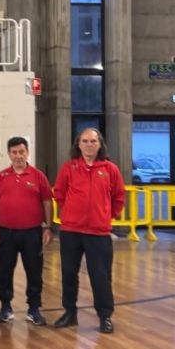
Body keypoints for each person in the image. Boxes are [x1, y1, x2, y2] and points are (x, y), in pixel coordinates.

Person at [53, 128, 126, 334]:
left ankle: (105, 316)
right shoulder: (69, 168)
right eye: (84, 141)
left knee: (100, 276)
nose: (89, 145)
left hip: (98, 232)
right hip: (71, 231)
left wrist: (106, 215)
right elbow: (59, 193)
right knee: (69, 274)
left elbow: (119, 196)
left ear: (100, 144)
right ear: (78, 144)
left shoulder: (110, 169)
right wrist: (69, 212)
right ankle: (70, 313)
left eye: (93, 141)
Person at [0, 137, 52, 326]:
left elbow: (47, 202)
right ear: (9, 154)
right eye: (14, 152)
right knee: (5, 271)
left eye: (21, 152)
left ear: (27, 152)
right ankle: (6, 307)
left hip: (32, 233)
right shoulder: (1, 177)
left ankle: (34, 309)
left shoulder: (38, 176)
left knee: (34, 272)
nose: (18, 156)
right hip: (6, 233)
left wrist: (47, 227)